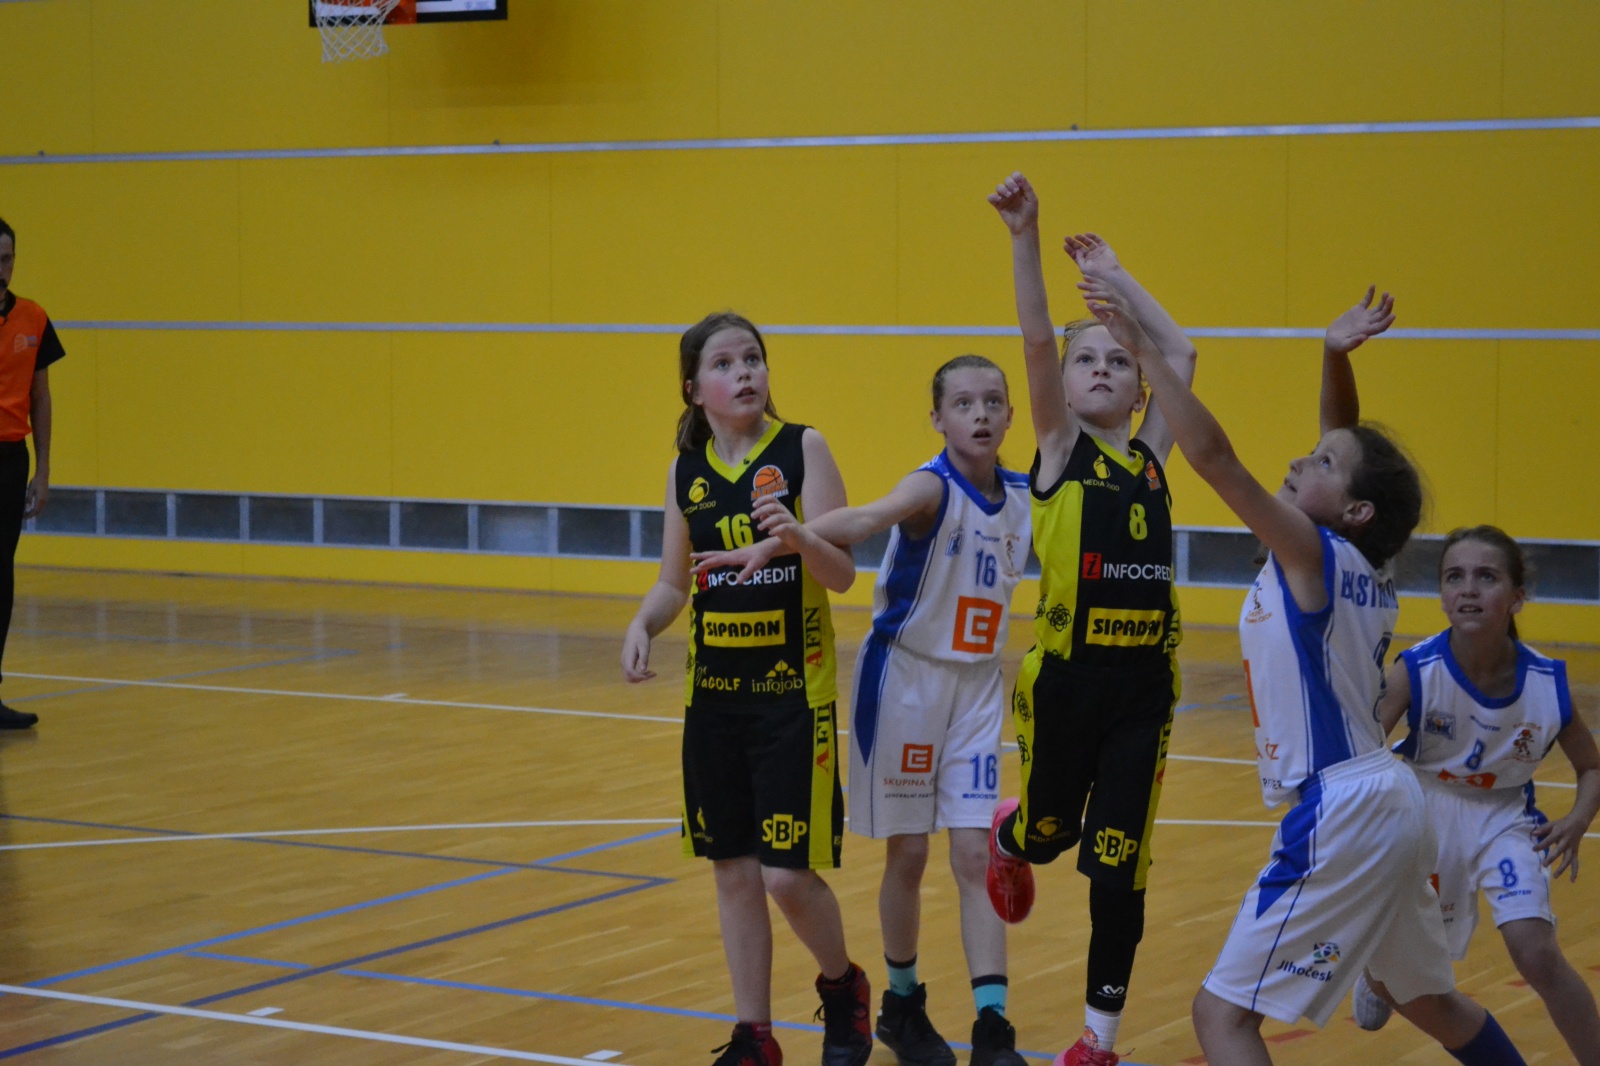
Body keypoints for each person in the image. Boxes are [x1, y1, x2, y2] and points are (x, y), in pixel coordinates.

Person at [1086, 272, 1529, 1066]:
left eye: (1319, 462)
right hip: (1388, 802)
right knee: (1429, 1001)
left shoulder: (1313, 555)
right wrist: (1333, 354)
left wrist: (1145, 353)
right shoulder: (1363, 560)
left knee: (1220, 1015)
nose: (1301, 457)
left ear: (1355, 510)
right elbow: (1345, 442)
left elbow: (1213, 457)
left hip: (1344, 807)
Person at [698, 354, 1033, 1066]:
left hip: (977, 686)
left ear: (1011, 414)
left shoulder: (1026, 491)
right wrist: (787, 537)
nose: (980, 414)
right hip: (906, 680)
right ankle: (902, 1004)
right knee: (908, 853)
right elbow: (864, 518)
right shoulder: (930, 485)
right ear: (937, 418)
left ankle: (993, 1027)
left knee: (974, 853)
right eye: (963, 403)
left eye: (993, 402)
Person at [620, 312, 871, 1066]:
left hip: (793, 698)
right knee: (732, 870)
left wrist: (795, 536)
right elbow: (675, 583)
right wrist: (643, 622)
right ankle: (754, 1035)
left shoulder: (803, 448)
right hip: (715, 700)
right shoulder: (685, 472)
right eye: (726, 364)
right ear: (694, 389)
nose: (745, 373)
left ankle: (843, 986)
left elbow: (842, 574)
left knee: (785, 876)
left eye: (754, 359)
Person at [984, 173, 1196, 1066]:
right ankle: (1010, 835)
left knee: (1119, 864)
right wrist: (1025, 237)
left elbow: (1181, 352)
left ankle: (1096, 1040)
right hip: (1065, 685)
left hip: (1143, 692)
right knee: (1048, 837)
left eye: (1117, 360)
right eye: (1087, 361)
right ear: (1064, 391)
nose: (1102, 368)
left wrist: (1118, 280)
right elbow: (1037, 338)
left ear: (1138, 387)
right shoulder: (1060, 450)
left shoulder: (1153, 460)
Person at [1349, 525, 1600, 1064]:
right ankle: (1376, 969)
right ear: (1442, 596)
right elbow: (1360, 751)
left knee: (1537, 953)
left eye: (1486, 577)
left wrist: (1578, 819)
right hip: (1421, 812)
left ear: (1517, 597)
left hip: (1505, 816)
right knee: (1418, 960)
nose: (1468, 588)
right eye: (1454, 577)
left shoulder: (1547, 682)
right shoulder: (1417, 670)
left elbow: (1591, 766)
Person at [0, 217, 61, 731]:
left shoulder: (33, 318)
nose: (1, 270)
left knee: (1, 576)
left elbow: (40, 397)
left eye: (7, 259)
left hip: (8, 458)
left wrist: (42, 470)